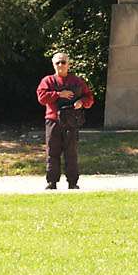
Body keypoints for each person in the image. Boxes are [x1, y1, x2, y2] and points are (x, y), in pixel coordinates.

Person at [36, 53, 95, 190]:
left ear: (68, 64)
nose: (60, 65)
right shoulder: (48, 81)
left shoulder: (77, 81)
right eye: (57, 63)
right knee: (52, 152)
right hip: (53, 121)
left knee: (71, 153)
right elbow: (42, 97)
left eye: (63, 62)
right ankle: (52, 182)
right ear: (53, 65)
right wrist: (58, 94)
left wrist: (82, 102)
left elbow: (89, 97)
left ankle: (72, 183)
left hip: (71, 121)